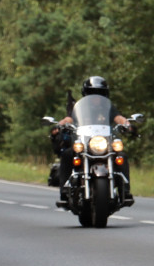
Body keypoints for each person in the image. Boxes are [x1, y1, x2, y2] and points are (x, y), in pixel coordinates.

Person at [51, 76, 131, 206]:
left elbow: (119, 118)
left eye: (99, 94)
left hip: (104, 144)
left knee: (122, 155)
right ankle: (64, 192)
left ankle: (125, 190)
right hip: (84, 145)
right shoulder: (79, 108)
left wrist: (127, 124)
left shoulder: (108, 107)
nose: (96, 97)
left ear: (104, 94)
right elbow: (69, 119)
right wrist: (59, 125)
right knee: (67, 155)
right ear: (86, 94)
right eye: (93, 94)